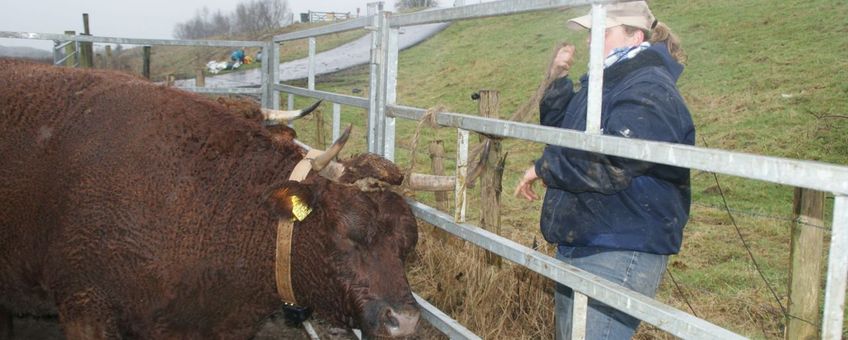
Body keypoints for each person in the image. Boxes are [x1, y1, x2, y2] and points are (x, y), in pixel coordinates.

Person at [513, 1, 694, 339]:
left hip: (620, 244)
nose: (589, 42)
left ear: (635, 36)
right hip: (588, 236)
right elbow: (562, 133)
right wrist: (558, 80)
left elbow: (614, 162)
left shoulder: (649, 87)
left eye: (602, 33)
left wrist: (544, 168)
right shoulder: (604, 83)